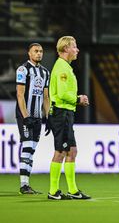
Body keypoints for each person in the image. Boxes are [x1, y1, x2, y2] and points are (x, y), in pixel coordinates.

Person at [47, 36, 91, 200]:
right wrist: (78, 99)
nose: (77, 50)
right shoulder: (62, 69)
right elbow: (62, 93)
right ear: (66, 49)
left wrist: (76, 98)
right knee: (61, 151)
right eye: (74, 46)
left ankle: (73, 190)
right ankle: (53, 191)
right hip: (61, 113)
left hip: (66, 113)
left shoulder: (65, 67)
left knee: (72, 151)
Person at [16, 43, 50, 194]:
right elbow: (20, 94)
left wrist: (48, 117)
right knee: (28, 146)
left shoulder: (45, 72)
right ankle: (24, 185)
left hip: (37, 116)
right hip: (26, 115)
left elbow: (46, 97)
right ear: (29, 53)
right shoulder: (23, 70)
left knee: (32, 149)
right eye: (36, 51)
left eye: (41, 51)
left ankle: (26, 184)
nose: (39, 54)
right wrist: (25, 116)